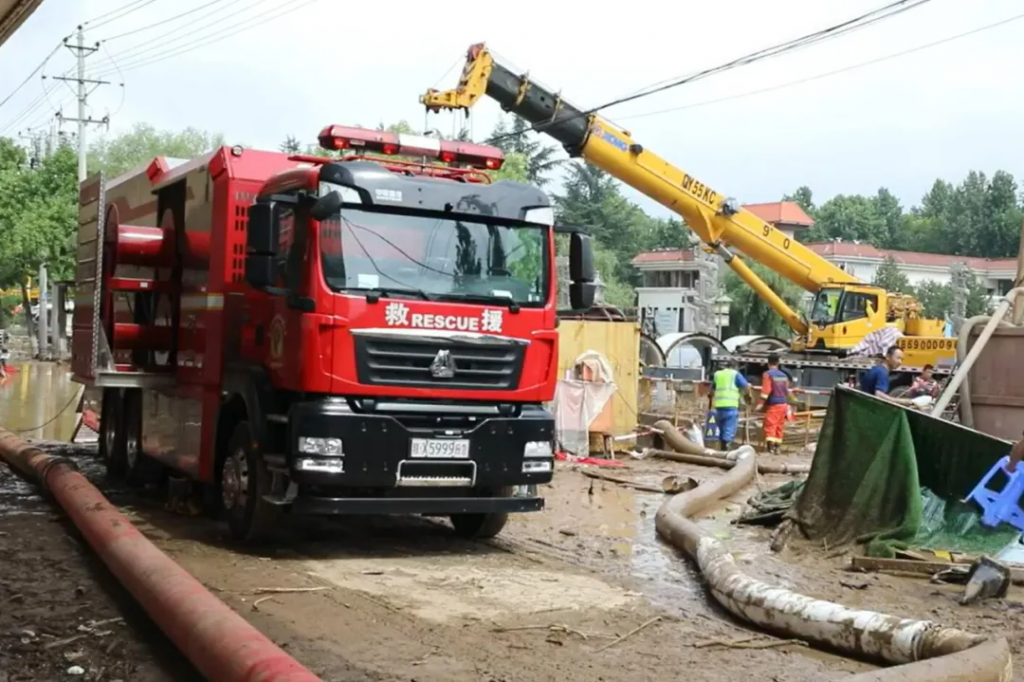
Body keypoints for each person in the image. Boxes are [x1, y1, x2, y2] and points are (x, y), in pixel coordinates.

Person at [710, 360, 751, 451]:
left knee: (722, 430)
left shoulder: (718, 374)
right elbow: (746, 386)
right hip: (731, 407)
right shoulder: (735, 374)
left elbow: (711, 390)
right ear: (735, 367)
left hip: (719, 407)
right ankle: (726, 449)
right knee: (729, 430)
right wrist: (748, 397)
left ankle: (722, 449)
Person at [756, 353, 792, 454]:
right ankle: (777, 447)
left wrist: (760, 404)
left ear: (768, 363)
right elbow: (786, 390)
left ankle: (770, 448)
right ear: (778, 363)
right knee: (779, 425)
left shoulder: (768, 374)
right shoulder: (784, 376)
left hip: (774, 404)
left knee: (770, 425)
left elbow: (766, 391)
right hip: (783, 404)